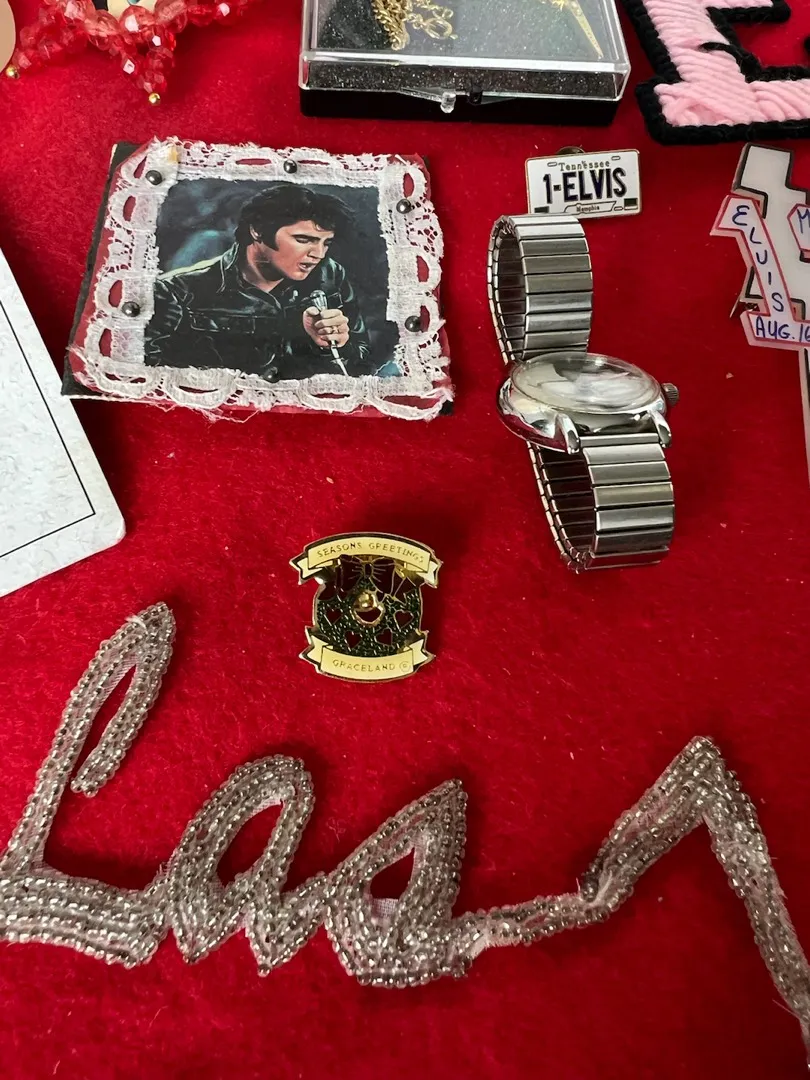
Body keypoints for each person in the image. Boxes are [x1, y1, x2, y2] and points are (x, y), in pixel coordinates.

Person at [144, 183, 375, 380]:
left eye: (326, 243)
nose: (318, 254)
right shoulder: (177, 291)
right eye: (304, 239)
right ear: (257, 231)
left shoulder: (329, 276)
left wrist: (332, 346)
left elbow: (362, 367)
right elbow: (153, 379)